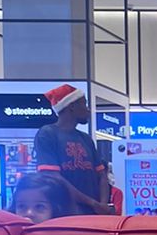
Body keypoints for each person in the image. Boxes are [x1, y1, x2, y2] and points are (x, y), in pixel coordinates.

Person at [32, 85, 111, 215]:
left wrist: (102, 205)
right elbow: (53, 177)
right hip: (63, 212)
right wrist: (93, 203)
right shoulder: (47, 134)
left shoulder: (86, 138)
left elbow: (101, 174)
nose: (88, 110)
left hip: (92, 213)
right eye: (84, 104)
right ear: (72, 107)